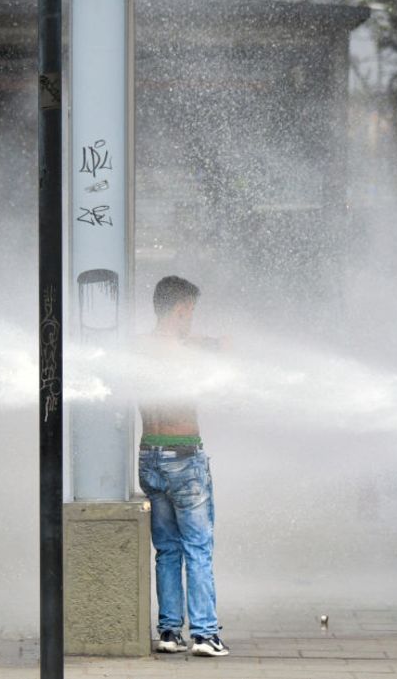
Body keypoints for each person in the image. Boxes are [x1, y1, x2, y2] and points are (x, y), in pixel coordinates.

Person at [137, 275, 228, 657]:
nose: (192, 318)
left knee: (167, 549)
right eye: (190, 310)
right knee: (198, 548)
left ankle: (170, 632)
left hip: (149, 457)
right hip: (184, 455)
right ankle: (205, 634)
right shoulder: (185, 352)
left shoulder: (138, 348)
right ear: (181, 309)